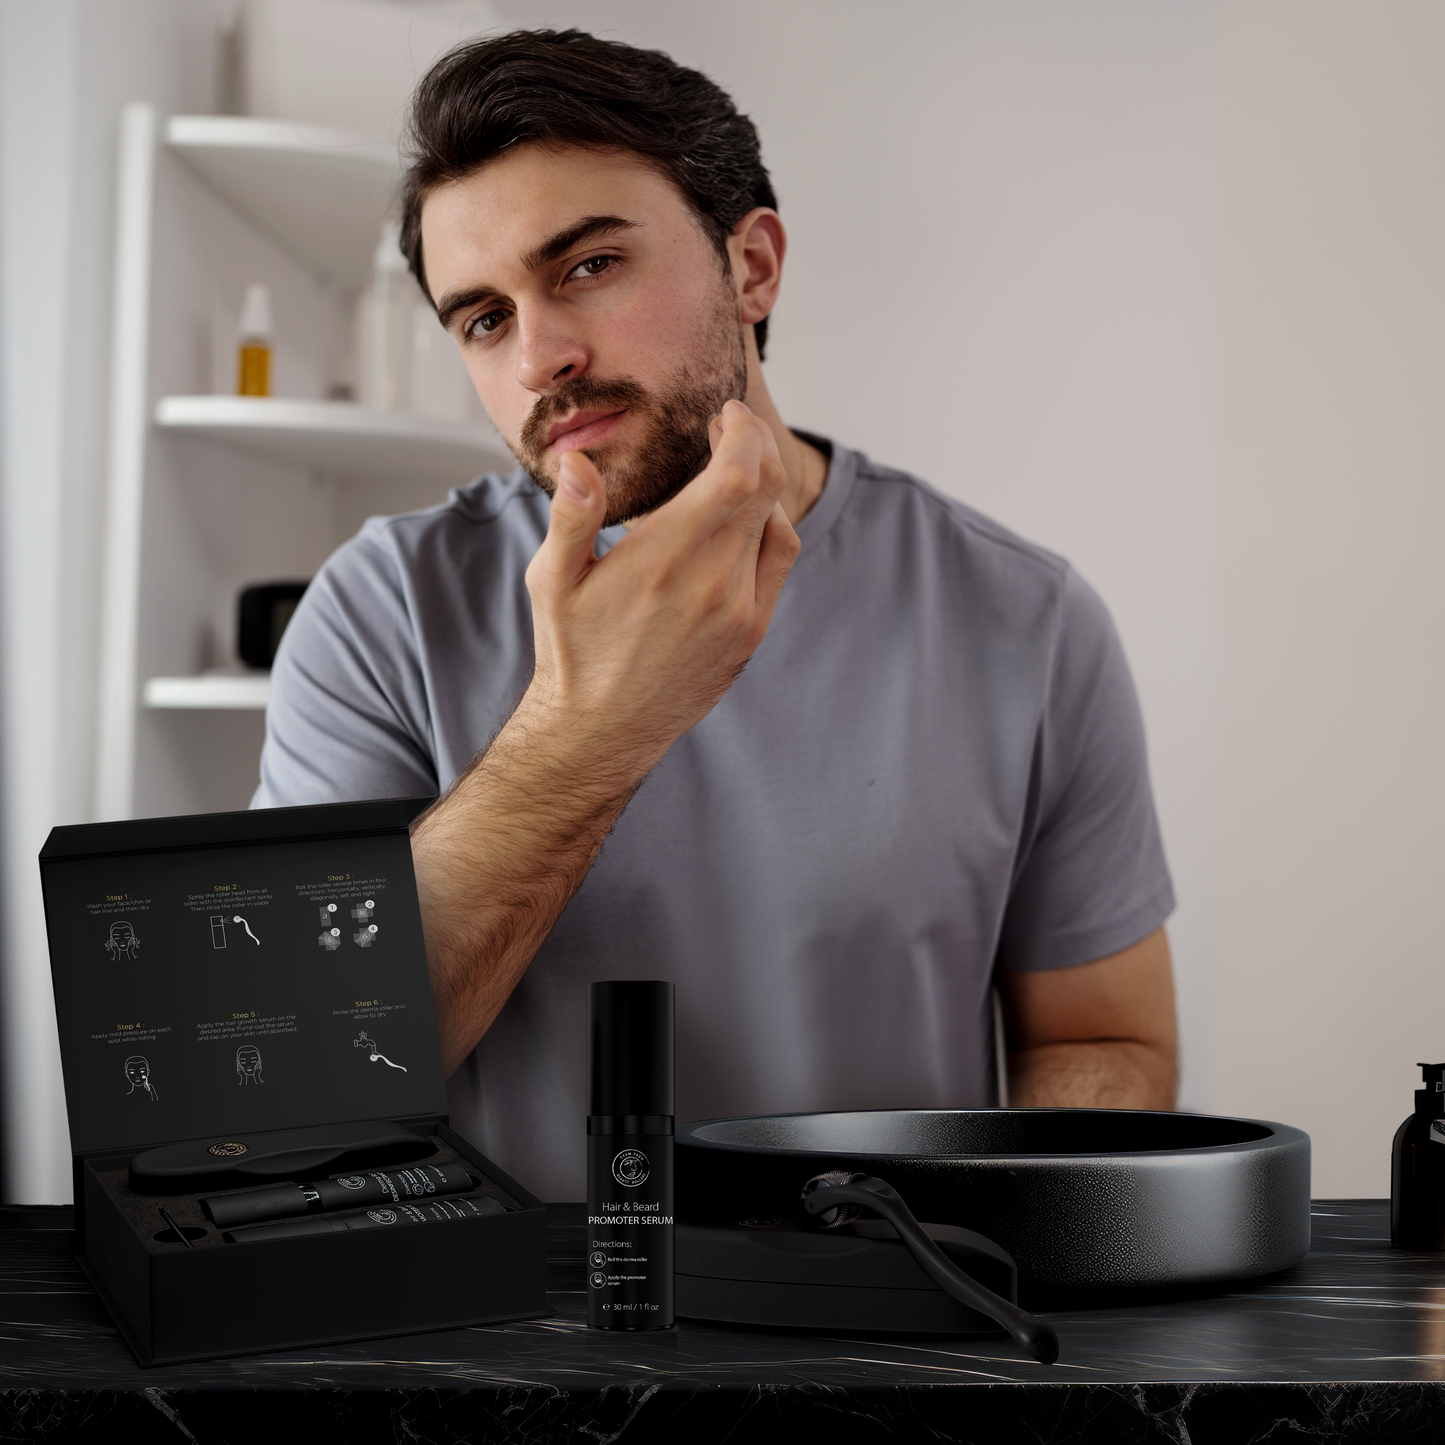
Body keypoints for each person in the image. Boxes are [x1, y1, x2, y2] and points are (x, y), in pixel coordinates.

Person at [254, 30, 1178, 1202]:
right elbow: (298, 1089)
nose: (541, 357)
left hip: (899, 1331)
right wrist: (592, 728)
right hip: (515, 1354)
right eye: (483, 318)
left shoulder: (1021, 618)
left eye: (587, 265)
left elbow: (1104, 1042)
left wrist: (970, 1243)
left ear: (752, 266)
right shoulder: (379, 612)